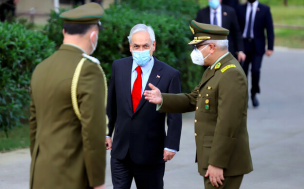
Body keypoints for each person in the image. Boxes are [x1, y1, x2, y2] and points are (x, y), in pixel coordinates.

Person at [144, 21, 253, 189]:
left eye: (198, 47)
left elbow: (228, 124)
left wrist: (217, 163)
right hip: (215, 159)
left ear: (211, 47)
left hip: (225, 164)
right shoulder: (215, 69)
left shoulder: (230, 74)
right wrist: (163, 99)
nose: (195, 52)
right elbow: (193, 99)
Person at [29, 3, 106, 189]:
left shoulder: (41, 68)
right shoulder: (88, 69)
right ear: (93, 35)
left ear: (64, 32)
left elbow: (34, 126)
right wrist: (97, 181)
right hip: (72, 176)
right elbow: (93, 132)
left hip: (40, 174)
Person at [105, 24, 182, 189]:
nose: (141, 50)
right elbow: (111, 104)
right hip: (120, 152)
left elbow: (175, 115)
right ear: (130, 47)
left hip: (150, 154)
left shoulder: (169, 74)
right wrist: (107, 132)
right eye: (136, 46)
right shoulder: (119, 67)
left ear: (153, 46)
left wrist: (171, 145)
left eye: (145, 46)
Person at [236, 0, 274, 107]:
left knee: (255, 71)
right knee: (243, 73)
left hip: (257, 46)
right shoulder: (240, 8)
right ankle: (244, 97)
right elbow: (236, 28)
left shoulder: (265, 9)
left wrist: (270, 47)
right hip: (243, 45)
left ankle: (254, 93)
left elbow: (269, 29)